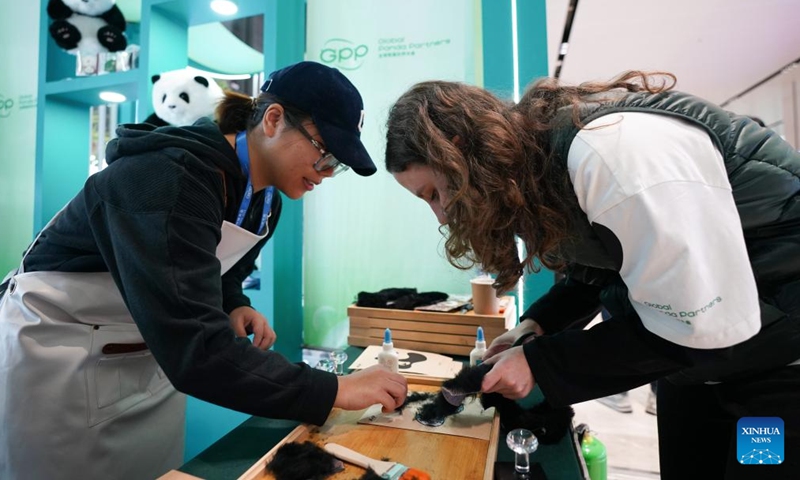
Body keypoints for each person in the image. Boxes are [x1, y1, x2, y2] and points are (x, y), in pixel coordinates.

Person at [0, 61, 407, 480]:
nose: (327, 173)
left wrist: (233, 301)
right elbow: (197, 348)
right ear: (272, 120)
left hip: (146, 347)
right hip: (61, 349)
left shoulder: (267, 202)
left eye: (337, 164)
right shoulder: (169, 178)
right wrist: (333, 389)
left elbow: (214, 269)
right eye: (325, 154)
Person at [385, 72, 800, 479]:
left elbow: (700, 319)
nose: (441, 217)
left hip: (779, 357)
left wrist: (539, 363)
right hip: (698, 365)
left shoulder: (614, 154)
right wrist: (535, 326)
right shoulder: (543, 168)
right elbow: (602, 270)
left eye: (434, 194)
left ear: (457, 151)